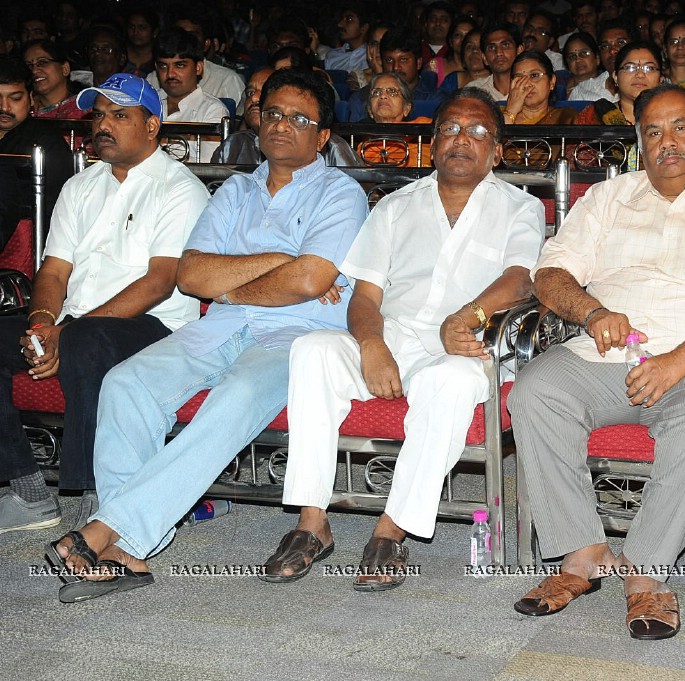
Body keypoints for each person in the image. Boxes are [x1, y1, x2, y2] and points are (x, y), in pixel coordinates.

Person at [44, 68, 367, 603]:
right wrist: (283, 263)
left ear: (323, 136)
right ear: (258, 120)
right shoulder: (235, 189)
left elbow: (311, 281)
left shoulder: (340, 193)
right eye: (274, 113)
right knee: (127, 383)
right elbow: (192, 275)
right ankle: (132, 549)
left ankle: (108, 534)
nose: (283, 124)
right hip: (217, 326)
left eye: (300, 118)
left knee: (234, 398)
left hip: (296, 337)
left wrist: (246, 281)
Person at [509, 83, 685, 640]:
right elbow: (551, 273)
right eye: (653, 131)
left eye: (681, 127)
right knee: (536, 389)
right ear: (639, 143)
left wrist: (678, 360)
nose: (668, 141)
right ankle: (582, 553)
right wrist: (591, 313)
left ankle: (646, 571)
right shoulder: (609, 198)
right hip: (608, 355)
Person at [261, 88, 544, 588]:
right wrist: (373, 346)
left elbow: (522, 279)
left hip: (466, 344)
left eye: (478, 131)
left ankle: (391, 530)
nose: (462, 139)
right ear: (432, 143)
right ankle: (312, 522)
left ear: (497, 150)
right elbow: (364, 297)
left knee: (450, 383)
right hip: (392, 341)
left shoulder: (519, 208)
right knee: (313, 350)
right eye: (451, 129)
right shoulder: (395, 206)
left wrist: (471, 314)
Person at [0, 73, 208, 534]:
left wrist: (64, 334)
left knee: (87, 341)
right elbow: (53, 271)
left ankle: (90, 495)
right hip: (77, 323)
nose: (104, 125)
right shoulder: (81, 186)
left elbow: (159, 283)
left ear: (153, 125)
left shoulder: (179, 188)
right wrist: (40, 323)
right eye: (98, 115)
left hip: (155, 326)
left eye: (120, 115)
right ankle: (29, 488)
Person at [0, 57, 74, 247]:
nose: (4, 107)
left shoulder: (47, 143)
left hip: (27, 248)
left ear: (32, 99)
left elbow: (57, 212)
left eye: (15, 98)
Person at [154, 27, 230, 163]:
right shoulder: (146, 103)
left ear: (198, 68)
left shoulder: (212, 110)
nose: (170, 74)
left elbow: (208, 168)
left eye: (180, 65)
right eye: (163, 66)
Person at [575, 40, 661, 126]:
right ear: (615, 77)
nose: (640, 74)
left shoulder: (671, 115)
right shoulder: (594, 117)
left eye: (649, 68)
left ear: (661, 79)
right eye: (630, 68)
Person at [358, 72, 432, 167]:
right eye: (376, 92)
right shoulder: (361, 146)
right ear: (370, 111)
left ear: (406, 108)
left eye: (392, 92)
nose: (383, 96)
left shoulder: (424, 133)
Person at [502, 51, 578, 125]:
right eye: (519, 78)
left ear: (552, 81)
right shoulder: (495, 116)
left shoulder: (564, 118)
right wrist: (510, 112)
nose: (527, 84)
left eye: (534, 75)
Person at [21, 40, 87, 120]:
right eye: (29, 66)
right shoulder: (22, 108)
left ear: (65, 69)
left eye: (42, 62)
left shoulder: (86, 108)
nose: (34, 70)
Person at [467, 23, 525, 101]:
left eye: (505, 45)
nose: (498, 53)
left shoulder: (531, 89)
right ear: (484, 58)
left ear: (519, 50)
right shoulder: (475, 92)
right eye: (492, 47)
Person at [324, 2, 372, 73]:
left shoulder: (371, 57)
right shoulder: (332, 55)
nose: (340, 24)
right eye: (342, 19)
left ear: (364, 28)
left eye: (349, 19)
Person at [565, 32, 606, 100]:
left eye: (584, 53)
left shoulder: (608, 85)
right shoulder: (558, 85)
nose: (577, 59)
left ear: (597, 58)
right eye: (572, 56)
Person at [124, 8, 159, 76]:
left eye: (142, 28)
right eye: (131, 27)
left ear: (155, 32)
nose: (135, 32)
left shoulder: (160, 56)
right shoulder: (120, 54)